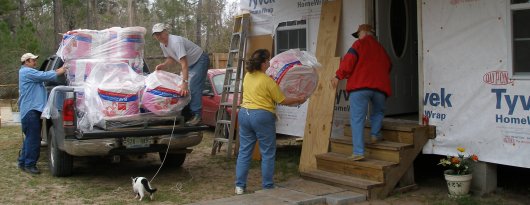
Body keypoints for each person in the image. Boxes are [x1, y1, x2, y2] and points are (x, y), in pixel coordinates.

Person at [235, 49, 306, 195]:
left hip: (244, 113)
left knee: (244, 152)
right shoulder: (268, 81)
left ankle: (239, 186)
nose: (269, 62)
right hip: (262, 116)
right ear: (262, 64)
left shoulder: (248, 76)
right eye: (267, 60)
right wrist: (300, 99)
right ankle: (267, 185)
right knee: (267, 152)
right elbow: (283, 100)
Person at [331, 24, 392, 161]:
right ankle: (375, 134)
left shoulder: (358, 44)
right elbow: (389, 65)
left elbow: (348, 62)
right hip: (380, 88)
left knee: (357, 119)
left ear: (364, 32)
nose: (358, 36)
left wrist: (338, 76)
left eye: (358, 34)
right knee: (378, 111)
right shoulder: (381, 48)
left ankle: (358, 152)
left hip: (360, 87)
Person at [151, 23, 209, 126]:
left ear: (166, 32)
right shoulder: (162, 44)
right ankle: (187, 114)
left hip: (200, 60)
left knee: (193, 86)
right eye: (156, 34)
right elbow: (170, 58)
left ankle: (197, 116)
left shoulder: (175, 41)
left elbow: (184, 63)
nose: (158, 36)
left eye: (160, 33)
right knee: (180, 88)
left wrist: (185, 82)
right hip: (190, 64)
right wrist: (163, 65)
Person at [18, 53, 67, 174]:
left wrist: (59, 70)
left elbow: (43, 76)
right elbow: (45, 76)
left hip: (30, 111)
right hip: (31, 111)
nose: (35, 62)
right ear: (27, 61)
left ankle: (22, 161)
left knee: (30, 138)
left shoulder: (28, 73)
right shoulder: (26, 72)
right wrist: (63, 69)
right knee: (34, 139)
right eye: (33, 60)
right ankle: (30, 165)